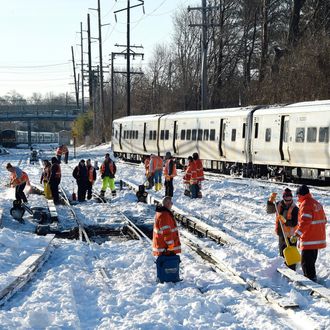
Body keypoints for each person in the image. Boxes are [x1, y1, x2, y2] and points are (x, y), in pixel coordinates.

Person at [290, 185, 327, 281]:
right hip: (317, 238)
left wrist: (296, 234)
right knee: (311, 262)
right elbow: (324, 219)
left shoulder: (306, 204)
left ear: (301, 195)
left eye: (297, 196)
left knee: (306, 263)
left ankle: (311, 282)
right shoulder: (316, 203)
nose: (297, 198)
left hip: (309, 239)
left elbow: (305, 222)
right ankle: (312, 278)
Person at [267, 188, 299, 270]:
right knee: (282, 254)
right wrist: (270, 201)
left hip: (291, 237)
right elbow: (269, 211)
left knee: (291, 258)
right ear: (283, 198)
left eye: (290, 199)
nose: (288, 201)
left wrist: (285, 221)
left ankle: (292, 271)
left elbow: (294, 223)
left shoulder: (295, 208)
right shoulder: (278, 204)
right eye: (286, 199)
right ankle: (284, 271)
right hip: (281, 234)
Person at [152, 196, 181, 282]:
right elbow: (167, 233)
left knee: (166, 263)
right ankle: (167, 279)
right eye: (171, 203)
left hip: (162, 245)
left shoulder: (162, 213)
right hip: (165, 246)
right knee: (167, 263)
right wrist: (171, 245)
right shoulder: (164, 215)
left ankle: (166, 278)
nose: (172, 205)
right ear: (167, 204)